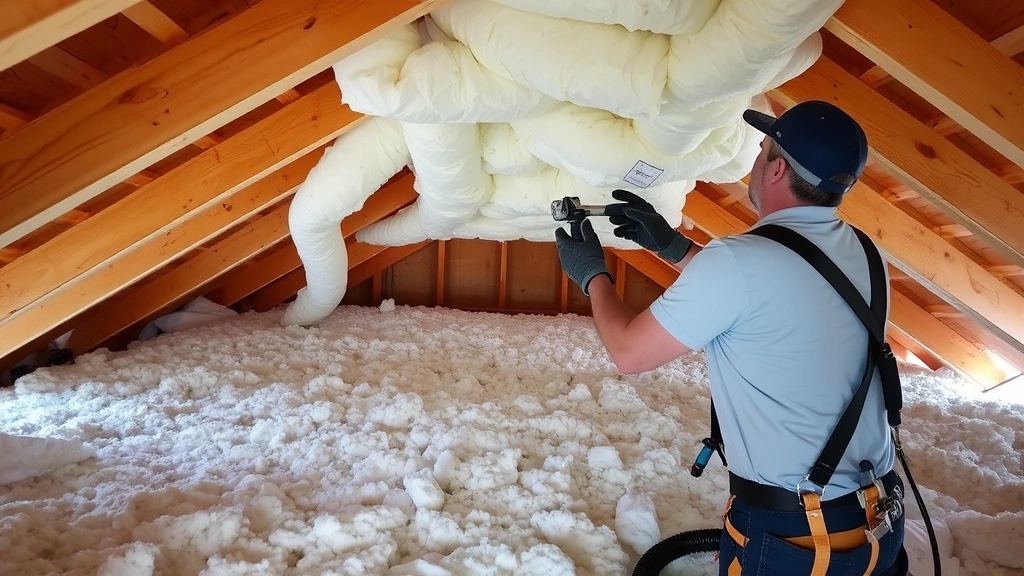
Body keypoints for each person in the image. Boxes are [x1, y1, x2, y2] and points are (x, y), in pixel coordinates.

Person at [554, 100, 908, 575]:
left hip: (800, 540)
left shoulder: (738, 260)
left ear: (777, 168)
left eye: (762, 150)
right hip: (878, 518)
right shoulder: (867, 252)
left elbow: (628, 352)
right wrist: (671, 246)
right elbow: (772, 291)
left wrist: (591, 274)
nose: (756, 161)